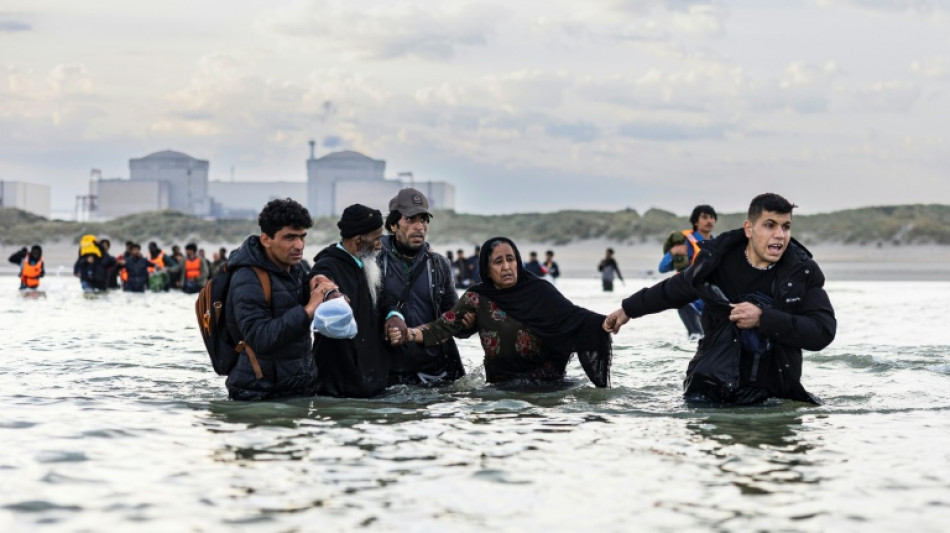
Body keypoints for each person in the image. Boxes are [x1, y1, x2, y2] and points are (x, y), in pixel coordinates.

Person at [603, 193, 836, 405]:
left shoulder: (802, 272)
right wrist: (627, 310)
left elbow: (822, 332)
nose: (779, 235)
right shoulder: (718, 261)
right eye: (769, 225)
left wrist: (763, 318)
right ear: (749, 228)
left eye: (786, 227)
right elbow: (673, 289)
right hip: (711, 387)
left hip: (773, 393)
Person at [392, 237, 612, 388]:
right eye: (498, 261)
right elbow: (442, 327)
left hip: (548, 387)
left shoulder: (539, 291)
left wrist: (605, 322)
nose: (507, 266)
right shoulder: (476, 298)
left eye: (511, 259)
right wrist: (408, 334)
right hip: (500, 387)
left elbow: (573, 318)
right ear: (487, 269)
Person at [224, 198, 334, 401]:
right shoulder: (247, 277)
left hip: (299, 389)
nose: (299, 245)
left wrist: (321, 285)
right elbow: (260, 338)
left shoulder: (297, 268)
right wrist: (308, 310)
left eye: (302, 237)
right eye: (289, 237)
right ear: (266, 240)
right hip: (257, 395)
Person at [378, 188, 466, 386]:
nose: (419, 227)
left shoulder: (439, 264)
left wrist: (469, 320)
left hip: (434, 373)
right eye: (410, 220)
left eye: (424, 219)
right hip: (390, 374)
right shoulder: (375, 262)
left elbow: (452, 319)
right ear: (393, 225)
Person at [308, 204, 390, 398]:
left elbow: (385, 299)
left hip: (370, 382)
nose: (380, 245)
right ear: (359, 240)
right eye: (377, 238)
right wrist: (331, 294)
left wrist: (393, 316)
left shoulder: (368, 265)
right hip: (337, 386)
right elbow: (319, 282)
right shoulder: (328, 265)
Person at [659, 204, 718, 340]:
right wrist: (672, 253)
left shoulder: (717, 244)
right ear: (696, 221)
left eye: (712, 217)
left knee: (710, 339)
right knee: (696, 337)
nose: (709, 221)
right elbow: (662, 268)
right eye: (704, 217)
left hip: (710, 299)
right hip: (688, 300)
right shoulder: (685, 242)